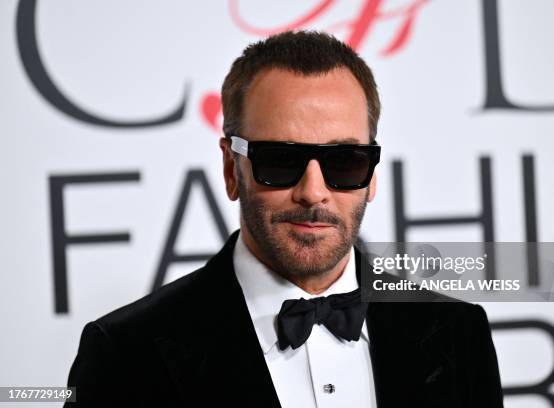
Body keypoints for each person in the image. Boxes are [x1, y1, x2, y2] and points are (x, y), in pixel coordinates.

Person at [65, 31, 503, 407]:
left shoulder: (457, 334)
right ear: (231, 168)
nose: (313, 192)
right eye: (280, 160)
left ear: (371, 174)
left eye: (345, 161)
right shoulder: (124, 355)